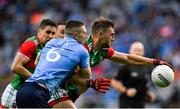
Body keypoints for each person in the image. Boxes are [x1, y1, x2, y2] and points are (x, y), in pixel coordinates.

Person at [50, 16, 173, 108]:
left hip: (65, 90)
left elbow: (128, 58)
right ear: (100, 34)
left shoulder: (102, 51)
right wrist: (91, 84)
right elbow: (68, 74)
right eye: (111, 35)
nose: (113, 38)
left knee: (87, 76)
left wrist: (155, 62)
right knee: (87, 75)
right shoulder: (81, 48)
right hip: (52, 86)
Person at [16, 20, 111, 108]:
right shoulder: (81, 50)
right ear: (75, 35)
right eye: (84, 33)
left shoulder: (51, 42)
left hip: (24, 90)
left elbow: (37, 62)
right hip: (39, 93)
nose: (86, 36)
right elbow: (86, 76)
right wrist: (91, 83)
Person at [0, 19, 57, 108]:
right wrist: (36, 79)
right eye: (48, 32)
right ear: (39, 31)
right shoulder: (31, 44)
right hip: (16, 90)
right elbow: (15, 67)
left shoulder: (50, 48)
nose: (50, 36)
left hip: (31, 92)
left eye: (53, 33)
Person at [111, 41, 156, 108]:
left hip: (141, 102)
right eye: (135, 50)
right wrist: (126, 91)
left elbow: (147, 83)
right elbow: (114, 82)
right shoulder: (125, 66)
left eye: (139, 50)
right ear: (130, 51)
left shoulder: (147, 67)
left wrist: (149, 93)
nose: (137, 52)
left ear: (143, 52)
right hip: (127, 102)